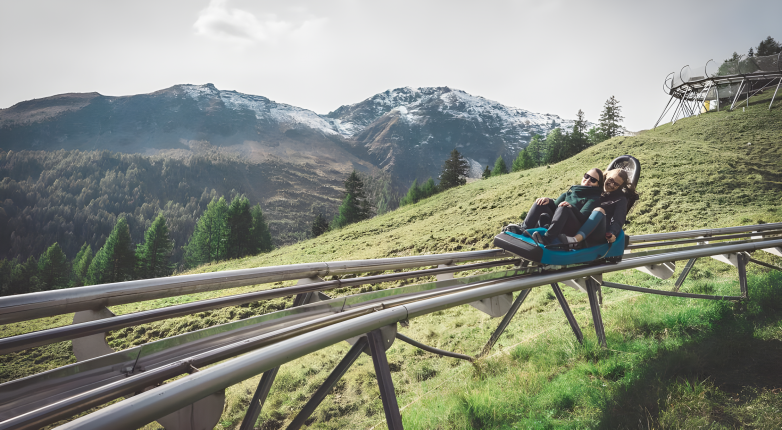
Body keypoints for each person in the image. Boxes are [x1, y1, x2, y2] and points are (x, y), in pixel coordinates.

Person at [505, 168, 604, 244]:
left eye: (593, 179)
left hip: (572, 228)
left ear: (598, 185)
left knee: (564, 207)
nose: (587, 180)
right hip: (558, 221)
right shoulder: (570, 192)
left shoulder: (593, 199)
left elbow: (583, 219)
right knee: (540, 203)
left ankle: (547, 239)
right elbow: (556, 206)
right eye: (586, 176)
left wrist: (571, 207)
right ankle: (523, 230)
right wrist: (548, 200)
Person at [558, 168, 639, 248]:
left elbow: (618, 220)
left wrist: (612, 233)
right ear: (606, 176)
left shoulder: (620, 199)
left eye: (616, 184)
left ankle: (575, 240)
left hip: (598, 231)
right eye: (611, 180)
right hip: (580, 222)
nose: (612, 185)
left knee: (599, 210)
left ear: (620, 186)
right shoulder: (594, 188)